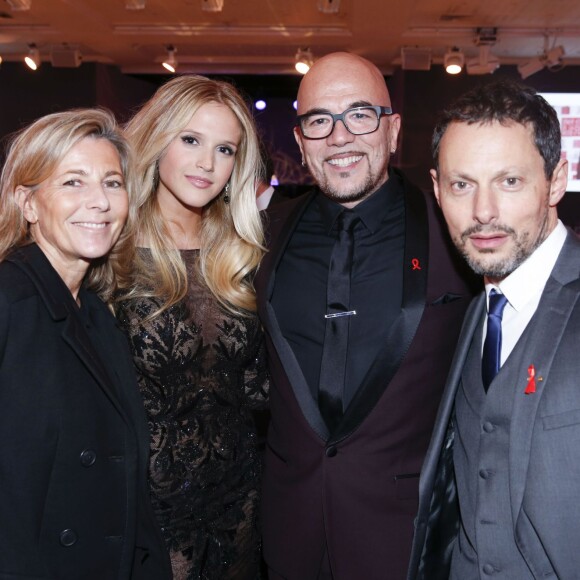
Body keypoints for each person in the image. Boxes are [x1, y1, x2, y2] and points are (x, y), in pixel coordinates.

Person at [254, 51, 478, 580]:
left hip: (405, 537)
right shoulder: (260, 237)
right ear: (301, 138)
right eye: (319, 121)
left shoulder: (457, 235)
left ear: (393, 129)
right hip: (290, 536)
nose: (339, 137)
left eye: (360, 114)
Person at [408, 80, 575, 579]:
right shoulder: (477, 310)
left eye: (509, 181)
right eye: (463, 184)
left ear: (557, 180)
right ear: (437, 190)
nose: (483, 212)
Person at [0, 109, 171, 579]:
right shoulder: (9, 302)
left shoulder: (97, 312)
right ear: (28, 203)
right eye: (73, 182)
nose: (99, 202)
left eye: (112, 183)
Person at [115, 75, 269, 580]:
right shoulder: (109, 244)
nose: (207, 163)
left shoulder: (244, 250)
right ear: (157, 138)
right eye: (190, 140)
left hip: (240, 506)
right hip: (145, 511)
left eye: (225, 149)